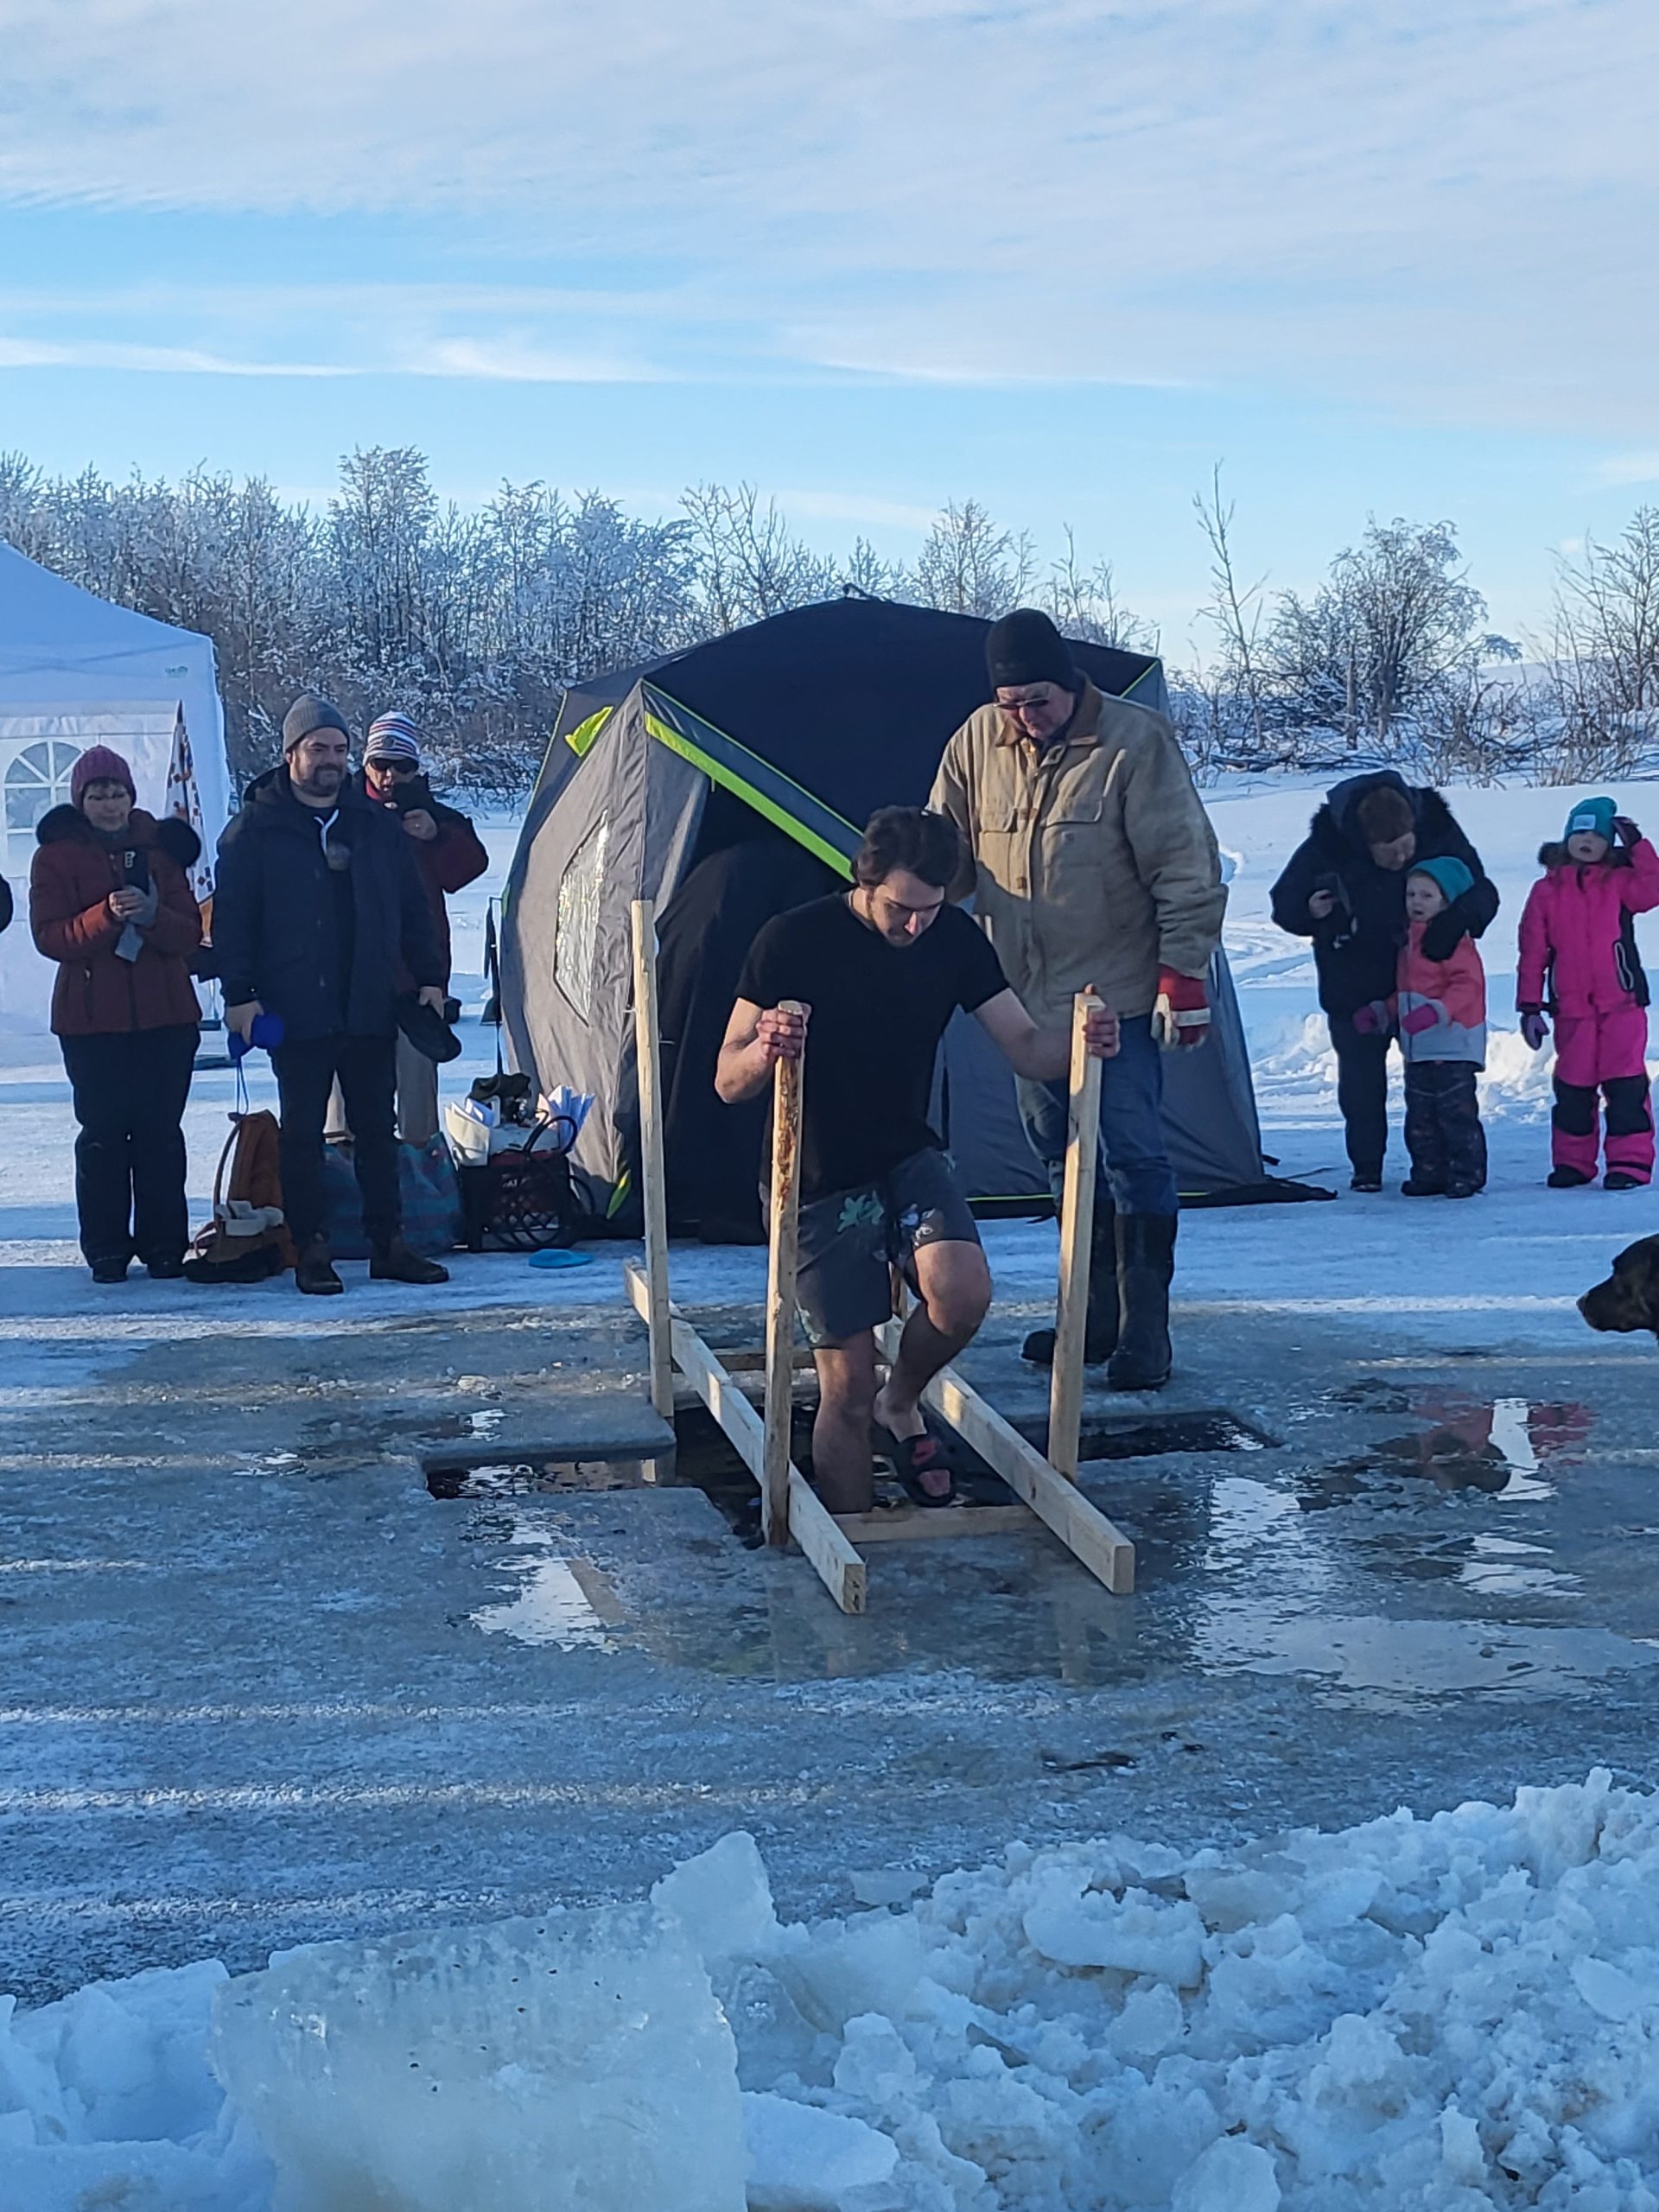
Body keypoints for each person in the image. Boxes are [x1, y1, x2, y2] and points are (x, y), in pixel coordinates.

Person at [715, 805, 1118, 1516]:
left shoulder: (952, 938)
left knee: (963, 1295)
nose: (915, 927)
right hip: (812, 1169)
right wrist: (766, 1048)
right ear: (863, 881)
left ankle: (899, 1402)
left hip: (905, 1149)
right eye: (902, 909)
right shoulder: (793, 939)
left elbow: (1024, 1046)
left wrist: (1084, 1042)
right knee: (843, 1385)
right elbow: (726, 1078)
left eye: (930, 910)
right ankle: (851, 1532)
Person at [928, 607, 1224, 1392]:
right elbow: (946, 848)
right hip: (1025, 1003)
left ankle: (1145, 1327)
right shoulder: (975, 743)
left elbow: (1185, 862)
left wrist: (1183, 970)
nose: (1026, 718)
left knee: (1131, 1156)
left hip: (1115, 993)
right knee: (1060, 1160)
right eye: (1012, 703)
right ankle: (1087, 1314)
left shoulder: (1133, 743)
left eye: (1039, 701)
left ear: (1069, 686)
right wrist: (914, 886)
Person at [213, 693, 452, 1295]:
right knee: (303, 1133)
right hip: (295, 1004)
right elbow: (233, 922)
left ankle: (388, 1243)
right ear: (291, 752)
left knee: (378, 1128)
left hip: (368, 998)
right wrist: (239, 995)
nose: (330, 760)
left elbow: (412, 906)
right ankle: (311, 1246)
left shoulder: (375, 826)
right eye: (318, 748)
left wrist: (429, 976)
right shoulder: (254, 832)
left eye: (339, 749)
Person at [1270, 769, 1498, 1193]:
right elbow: (1283, 903)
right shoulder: (1327, 844)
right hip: (1354, 980)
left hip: (1427, 982)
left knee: (1439, 1088)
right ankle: (1367, 1166)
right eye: (1388, 853)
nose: (1400, 860)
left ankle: (1446, 1167)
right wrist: (1310, 912)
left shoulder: (1437, 827)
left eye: (1406, 849)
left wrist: (1456, 922)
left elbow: (1482, 891)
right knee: (1361, 1081)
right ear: (1362, 841)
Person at [28, 746, 203, 1282]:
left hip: (166, 1017)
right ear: (81, 801)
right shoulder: (55, 856)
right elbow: (50, 936)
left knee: (159, 1133)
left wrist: (151, 915)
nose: (110, 804)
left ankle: (164, 1244)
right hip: (90, 1021)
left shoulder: (161, 850)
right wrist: (104, 916)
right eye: (98, 795)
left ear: (132, 796)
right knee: (103, 1136)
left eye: (118, 793)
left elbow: (189, 933)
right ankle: (106, 1248)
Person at [355, 712, 488, 1142]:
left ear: (417, 769)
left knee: (417, 1103)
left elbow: (470, 868)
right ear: (366, 764)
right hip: (351, 977)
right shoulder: (344, 810)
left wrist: (436, 838)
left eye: (402, 765)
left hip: (418, 978)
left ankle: (421, 1191)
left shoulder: (435, 815)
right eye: (381, 763)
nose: (390, 775)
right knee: (348, 1107)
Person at [1517, 797, 1659, 1191]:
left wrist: (1638, 846)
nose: (1586, 841)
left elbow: (1653, 891)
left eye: (1595, 835)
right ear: (1566, 839)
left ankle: (1629, 1164)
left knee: (1625, 1083)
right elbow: (1532, 951)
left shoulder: (1619, 883)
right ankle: (1573, 1163)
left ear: (1607, 843)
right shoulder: (1545, 891)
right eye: (1578, 833)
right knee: (1574, 1087)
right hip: (1571, 1009)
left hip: (1622, 1005)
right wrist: (1530, 1007)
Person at [1354, 857, 1487, 1198]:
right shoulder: (1408, 943)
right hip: (1419, 1048)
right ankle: (1429, 1171)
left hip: (1453, 1042)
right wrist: (1383, 1012)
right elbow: (1407, 994)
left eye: (1426, 896)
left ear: (1446, 901)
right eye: (1412, 894)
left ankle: (1465, 1172)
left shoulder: (1454, 941)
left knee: (1454, 1113)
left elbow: (1467, 986)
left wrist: (1437, 1011)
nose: (1416, 902)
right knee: (1421, 1116)